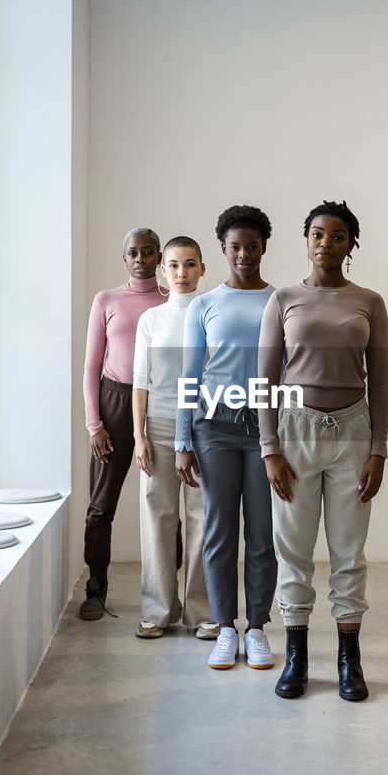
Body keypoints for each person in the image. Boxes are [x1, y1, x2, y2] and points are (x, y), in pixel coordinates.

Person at [258, 200, 388, 701]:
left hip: (353, 431)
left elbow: (380, 381)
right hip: (294, 432)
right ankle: (295, 657)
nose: (325, 242)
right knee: (292, 550)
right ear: (306, 238)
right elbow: (265, 377)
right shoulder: (284, 298)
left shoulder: (370, 302)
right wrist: (270, 447)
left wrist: (378, 448)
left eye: (338, 236)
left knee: (348, 552)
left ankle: (349, 660)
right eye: (317, 233)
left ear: (350, 244)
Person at [175, 205, 278, 670]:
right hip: (212, 429)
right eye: (235, 246)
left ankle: (256, 628)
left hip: (264, 431)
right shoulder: (205, 305)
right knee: (219, 531)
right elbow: (190, 375)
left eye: (252, 246)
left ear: (263, 249)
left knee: (261, 532)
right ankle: (224, 627)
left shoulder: (280, 301)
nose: (243, 254)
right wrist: (182, 441)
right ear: (222, 249)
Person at [131, 237, 218, 640]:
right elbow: (139, 382)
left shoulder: (211, 313)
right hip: (159, 429)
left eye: (190, 264)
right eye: (173, 265)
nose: (181, 273)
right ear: (162, 271)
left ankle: (201, 613)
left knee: (202, 520)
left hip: (205, 427)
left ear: (202, 269)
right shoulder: (151, 319)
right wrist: (139, 435)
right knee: (158, 518)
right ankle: (157, 610)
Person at [78, 228, 167, 621]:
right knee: (101, 506)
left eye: (148, 252)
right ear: (124, 257)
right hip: (114, 401)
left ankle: (169, 590)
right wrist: (94, 424)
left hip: (159, 401)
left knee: (166, 503)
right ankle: (96, 589)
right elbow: (91, 366)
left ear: (159, 256)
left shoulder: (171, 300)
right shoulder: (107, 300)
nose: (140, 259)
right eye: (133, 252)